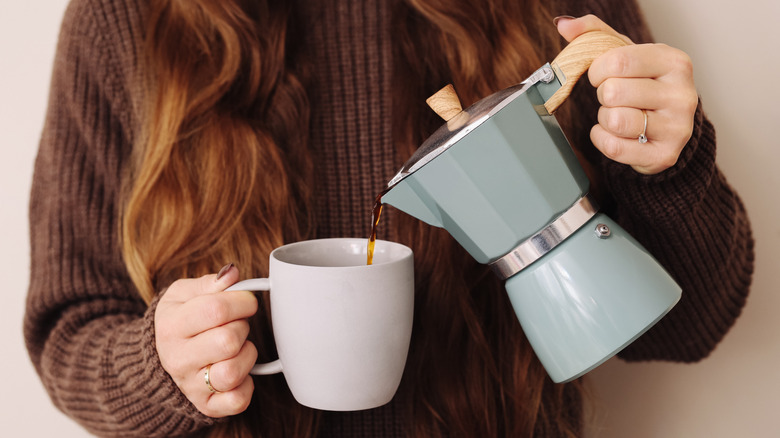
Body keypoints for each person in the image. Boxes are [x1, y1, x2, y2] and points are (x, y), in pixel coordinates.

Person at [24, 0, 754, 436]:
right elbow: (69, 327)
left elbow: (690, 329)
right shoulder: (127, 17)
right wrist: (160, 367)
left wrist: (672, 164)